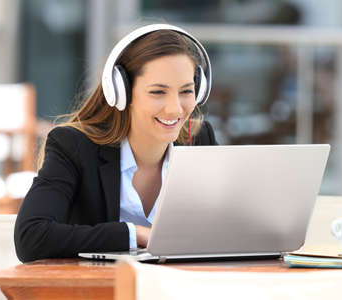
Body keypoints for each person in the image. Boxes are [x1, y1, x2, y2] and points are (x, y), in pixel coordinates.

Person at [14, 24, 218, 262]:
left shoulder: (200, 140)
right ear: (122, 91)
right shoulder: (73, 146)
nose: (175, 108)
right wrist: (136, 234)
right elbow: (31, 236)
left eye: (186, 91)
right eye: (157, 92)